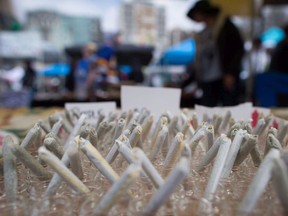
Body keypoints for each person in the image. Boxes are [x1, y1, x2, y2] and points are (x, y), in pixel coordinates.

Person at [187, 0, 244, 106]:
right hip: (206, 80)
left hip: (223, 77)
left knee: (229, 107)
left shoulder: (225, 26)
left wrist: (230, 72)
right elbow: (199, 59)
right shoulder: (202, 34)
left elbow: (238, 49)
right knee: (207, 109)